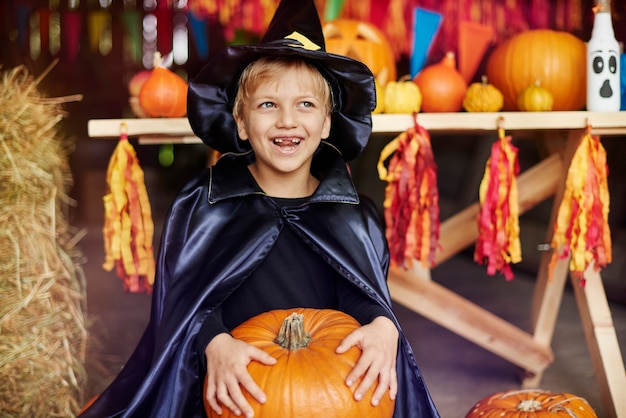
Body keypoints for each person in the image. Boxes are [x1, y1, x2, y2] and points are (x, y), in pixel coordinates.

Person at [79, 0, 440, 417]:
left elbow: (357, 292)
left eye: (305, 105)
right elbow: (181, 305)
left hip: (325, 396)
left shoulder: (353, 214)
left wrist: (381, 323)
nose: (287, 120)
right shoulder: (205, 205)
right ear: (241, 122)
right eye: (268, 105)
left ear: (326, 123)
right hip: (226, 391)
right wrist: (213, 342)